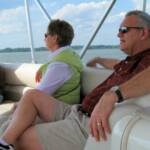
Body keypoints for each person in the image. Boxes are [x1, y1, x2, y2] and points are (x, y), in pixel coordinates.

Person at [0, 10, 150, 150]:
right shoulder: (131, 61)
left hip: (87, 126)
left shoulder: (147, 60)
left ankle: (4, 143)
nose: (118, 35)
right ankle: (4, 142)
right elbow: (116, 64)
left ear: (143, 33)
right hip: (77, 111)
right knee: (31, 95)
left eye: (124, 30)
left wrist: (114, 95)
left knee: (20, 136)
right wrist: (99, 59)